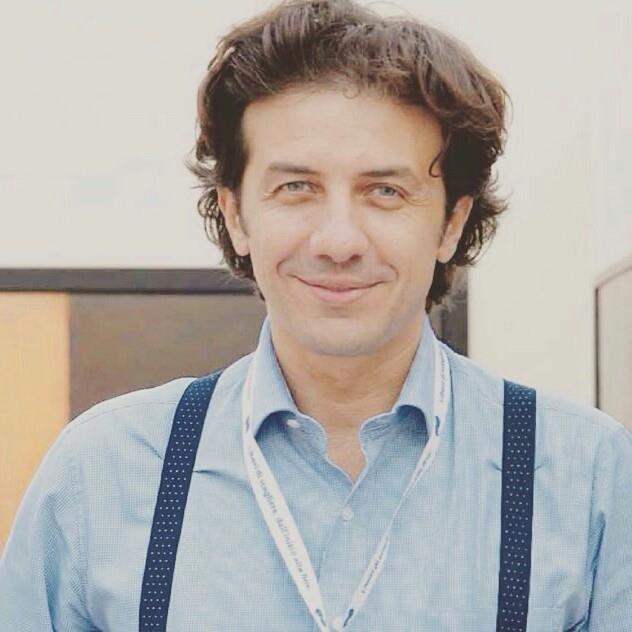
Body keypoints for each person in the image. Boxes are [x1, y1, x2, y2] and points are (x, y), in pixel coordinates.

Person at [1, 0, 631, 629]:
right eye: (296, 188)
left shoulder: (586, 479)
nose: (338, 240)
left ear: (451, 223)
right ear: (237, 215)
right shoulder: (101, 475)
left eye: (385, 191)